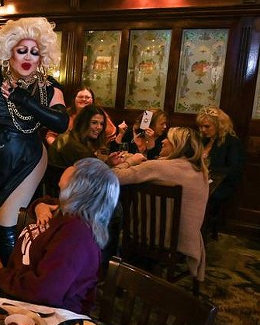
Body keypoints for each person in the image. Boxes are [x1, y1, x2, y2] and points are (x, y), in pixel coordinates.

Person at [0, 17, 69, 271]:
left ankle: (8, 284)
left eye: (35, 51)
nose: (28, 57)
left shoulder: (49, 87)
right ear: (9, 51)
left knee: (6, 222)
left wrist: (25, 100)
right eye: (22, 50)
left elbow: (61, 123)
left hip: (26, 159)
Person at [0, 158, 119, 314]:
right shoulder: (66, 209)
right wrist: (39, 206)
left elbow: (44, 291)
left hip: (47, 316)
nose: (69, 166)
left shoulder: (77, 233)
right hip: (21, 296)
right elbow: (46, 202)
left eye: (75, 167)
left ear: (81, 185)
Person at [112, 127, 209, 281]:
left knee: (114, 218)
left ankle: (111, 271)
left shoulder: (157, 167)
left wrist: (130, 161)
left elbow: (113, 177)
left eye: (167, 139)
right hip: (186, 238)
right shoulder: (199, 169)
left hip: (152, 237)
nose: (162, 141)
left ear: (178, 145)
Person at [196, 106, 245, 238]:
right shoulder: (202, 139)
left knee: (197, 196)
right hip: (200, 180)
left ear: (219, 125)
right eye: (201, 126)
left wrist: (209, 171)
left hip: (221, 184)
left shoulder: (232, 142)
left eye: (207, 126)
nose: (203, 130)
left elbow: (234, 170)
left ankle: (198, 234)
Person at [46, 87, 125, 144]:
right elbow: (50, 135)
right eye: (80, 97)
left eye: (87, 97)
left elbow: (111, 135)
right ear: (74, 99)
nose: (83, 99)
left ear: (92, 100)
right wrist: (58, 149)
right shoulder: (65, 113)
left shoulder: (99, 113)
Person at [48, 105, 118, 168]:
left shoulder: (69, 136)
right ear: (82, 123)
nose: (99, 127)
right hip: (67, 181)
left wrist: (108, 162)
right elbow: (98, 173)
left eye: (102, 124)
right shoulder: (76, 147)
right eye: (94, 123)